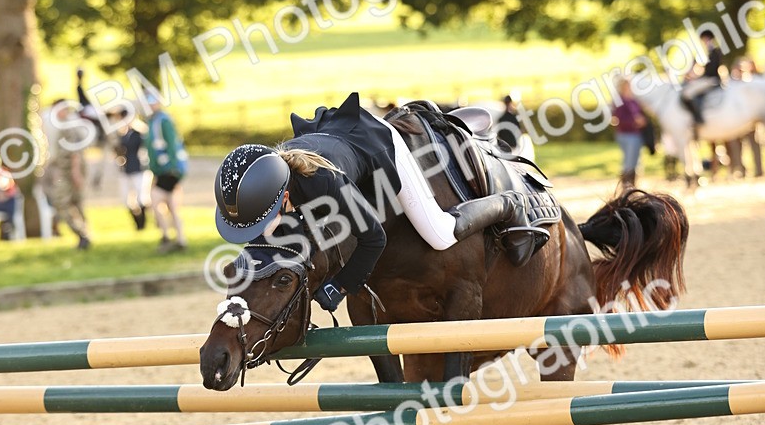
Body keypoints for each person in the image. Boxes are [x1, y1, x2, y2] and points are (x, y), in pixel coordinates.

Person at [213, 92, 534, 313]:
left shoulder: (324, 182)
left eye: (258, 222)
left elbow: (373, 238)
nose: (256, 231)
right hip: (340, 138)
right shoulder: (274, 185)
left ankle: (507, 204)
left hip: (382, 147)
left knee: (440, 233)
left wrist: (340, 286)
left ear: (283, 198)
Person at [41, 100, 92, 249]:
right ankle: (84, 235)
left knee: (63, 201)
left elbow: (75, 153)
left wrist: (76, 174)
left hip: (71, 172)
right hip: (66, 171)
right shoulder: (63, 126)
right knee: (74, 203)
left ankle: (83, 234)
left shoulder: (70, 126)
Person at [144, 95, 188, 253]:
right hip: (162, 171)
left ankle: (169, 237)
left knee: (160, 203)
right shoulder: (152, 121)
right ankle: (178, 238)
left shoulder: (163, 121)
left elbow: (172, 145)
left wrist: (174, 169)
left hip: (169, 171)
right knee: (170, 206)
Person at [113, 110, 149, 230]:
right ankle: (137, 223)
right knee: (126, 199)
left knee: (141, 197)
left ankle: (142, 224)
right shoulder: (121, 135)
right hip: (125, 169)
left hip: (138, 168)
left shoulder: (139, 133)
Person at [680, 30, 725, 125]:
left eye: (704, 39)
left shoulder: (714, 52)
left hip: (712, 80)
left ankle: (698, 118)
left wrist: (697, 78)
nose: (703, 42)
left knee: (687, 94)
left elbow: (711, 71)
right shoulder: (710, 52)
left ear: (707, 38)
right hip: (709, 79)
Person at [611, 79, 647, 189]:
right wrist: (634, 121)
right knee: (629, 161)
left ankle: (633, 185)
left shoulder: (634, 101)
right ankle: (626, 185)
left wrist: (642, 121)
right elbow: (618, 119)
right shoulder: (620, 101)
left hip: (636, 134)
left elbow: (640, 114)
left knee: (636, 161)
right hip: (626, 134)